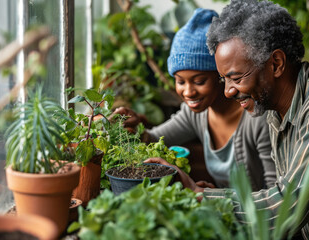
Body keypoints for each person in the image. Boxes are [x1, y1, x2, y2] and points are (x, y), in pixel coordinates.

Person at [148, 0, 309, 238]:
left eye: (236, 77)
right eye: (225, 80)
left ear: (275, 63)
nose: (228, 91)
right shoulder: (275, 111)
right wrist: (213, 195)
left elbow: (288, 207)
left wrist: (196, 194)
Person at [113, 8, 276, 190]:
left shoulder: (258, 120)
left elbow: (275, 198)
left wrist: (210, 195)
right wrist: (134, 128)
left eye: (199, 81)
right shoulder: (196, 114)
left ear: (221, 76)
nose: (188, 92)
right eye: (180, 81)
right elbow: (154, 139)